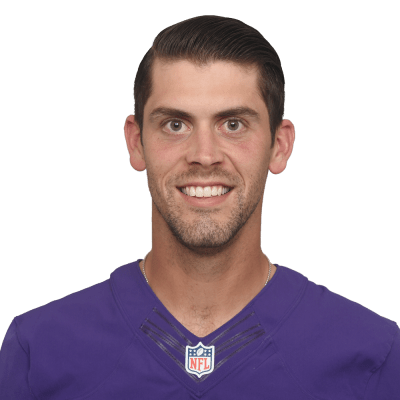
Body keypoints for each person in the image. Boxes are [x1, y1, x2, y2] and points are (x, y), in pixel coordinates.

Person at [1, 15, 399, 399]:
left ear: (279, 146)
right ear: (136, 142)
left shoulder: (374, 355)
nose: (204, 155)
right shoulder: (40, 350)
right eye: (175, 125)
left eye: (233, 124)